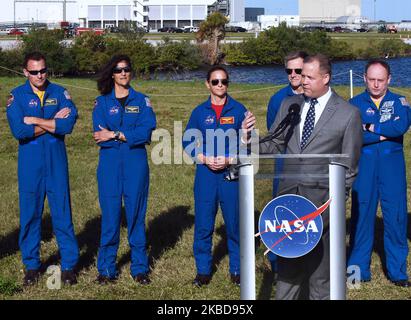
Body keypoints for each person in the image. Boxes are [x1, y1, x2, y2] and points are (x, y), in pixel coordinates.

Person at [243, 54, 363, 300]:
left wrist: (333, 205)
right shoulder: (290, 104)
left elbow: (349, 169)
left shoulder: (348, 114)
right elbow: (275, 144)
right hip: (287, 204)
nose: (302, 81)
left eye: (309, 76)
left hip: (322, 208)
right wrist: (249, 139)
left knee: (321, 280)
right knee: (287, 277)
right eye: (300, 74)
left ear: (326, 78)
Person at [6, 51, 79, 286]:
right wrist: (52, 123)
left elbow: (67, 125)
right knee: (30, 215)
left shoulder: (59, 92)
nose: (40, 75)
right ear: (25, 72)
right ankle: (32, 265)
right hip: (30, 165)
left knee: (62, 214)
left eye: (43, 70)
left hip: (56, 162)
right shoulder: (16, 96)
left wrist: (35, 120)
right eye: (34, 72)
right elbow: (20, 131)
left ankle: (68, 266)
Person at [92, 55, 156, 285]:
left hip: (135, 163)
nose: (123, 73)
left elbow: (146, 133)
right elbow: (100, 136)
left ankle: (139, 268)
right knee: (110, 217)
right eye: (118, 70)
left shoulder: (142, 101)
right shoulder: (102, 103)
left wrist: (116, 134)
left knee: (136, 215)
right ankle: (106, 269)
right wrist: (127, 135)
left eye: (127, 69)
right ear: (112, 74)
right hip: (109, 164)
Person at [182, 66, 249, 287]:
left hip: (231, 176)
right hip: (206, 176)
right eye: (215, 82)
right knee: (203, 224)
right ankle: (203, 270)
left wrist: (230, 159)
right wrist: (202, 157)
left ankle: (238, 270)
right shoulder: (200, 112)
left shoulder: (239, 111)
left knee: (234, 224)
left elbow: (249, 146)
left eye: (224, 81)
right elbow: (188, 140)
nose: (220, 85)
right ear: (207, 84)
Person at [348, 59, 411, 287]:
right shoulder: (353, 104)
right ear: (364, 78)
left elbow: (400, 126)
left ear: (389, 80)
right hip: (364, 170)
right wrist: (383, 133)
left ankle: (397, 271)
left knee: (396, 217)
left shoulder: (399, 102)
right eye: (372, 79)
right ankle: (357, 270)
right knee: (361, 216)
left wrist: (370, 127)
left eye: (380, 80)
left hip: (392, 171)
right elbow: (353, 136)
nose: (375, 85)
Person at [266, 51, 308, 274]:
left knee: (310, 212)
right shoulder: (277, 99)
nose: (293, 75)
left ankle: (308, 257)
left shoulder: (317, 97)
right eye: (289, 71)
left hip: (312, 164)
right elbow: (273, 135)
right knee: (281, 211)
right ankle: (278, 261)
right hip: (285, 164)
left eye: (298, 70)